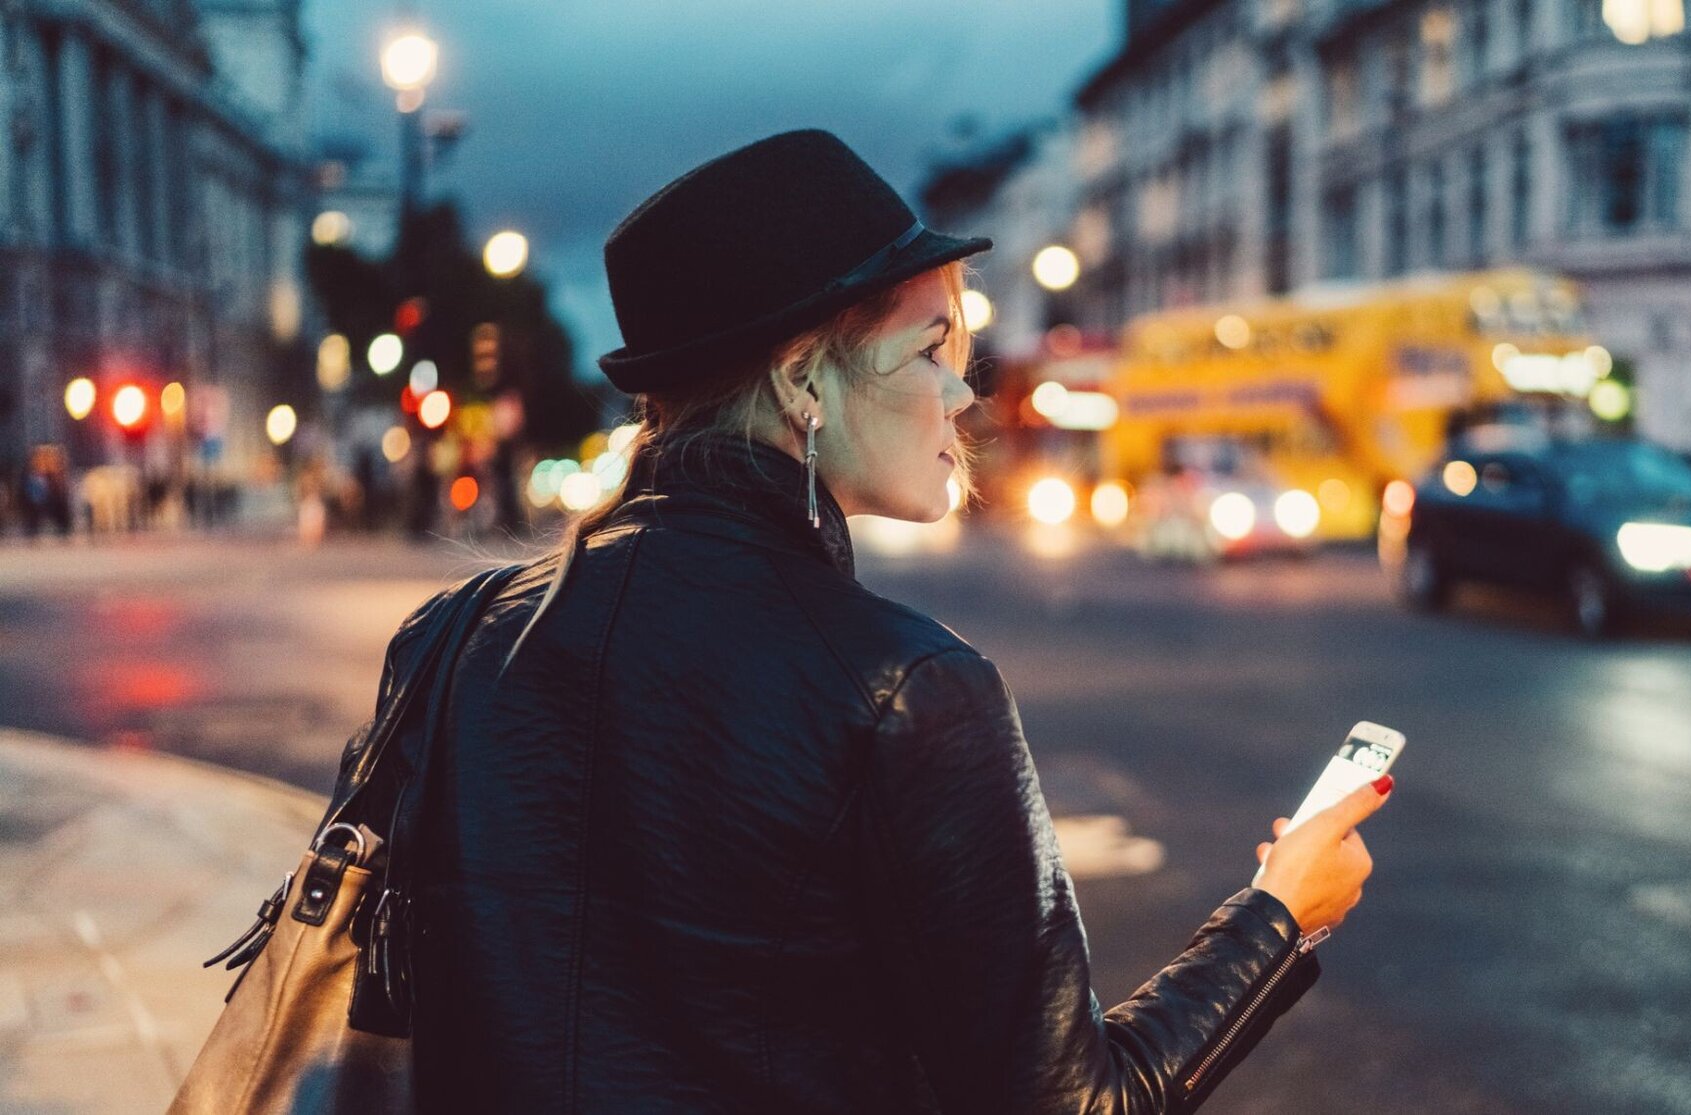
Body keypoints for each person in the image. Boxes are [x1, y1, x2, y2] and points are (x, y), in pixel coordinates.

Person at [360, 130, 1386, 1112]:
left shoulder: (451, 639)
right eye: (932, 347)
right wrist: (1277, 913)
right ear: (804, 379)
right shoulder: (906, 689)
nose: (961, 394)